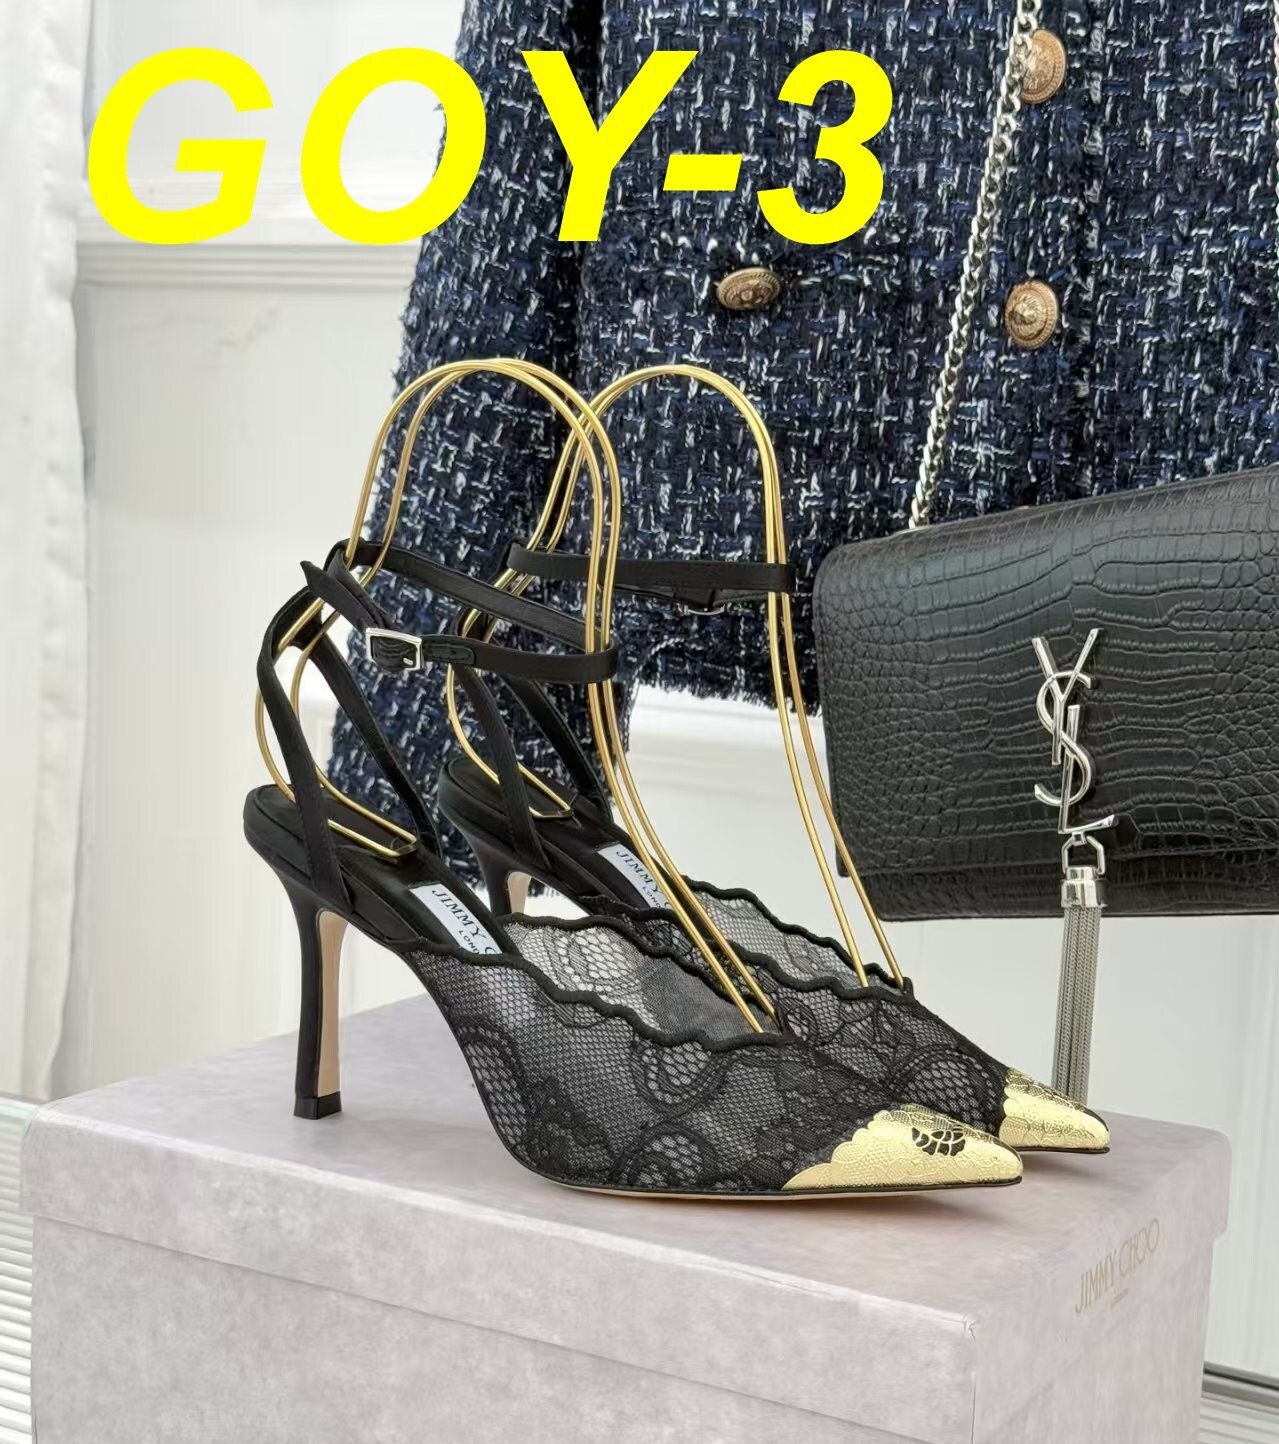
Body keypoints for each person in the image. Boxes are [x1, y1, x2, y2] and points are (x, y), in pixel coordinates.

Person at [329, 0, 1279, 858]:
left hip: (1183, 493)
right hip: (753, 493)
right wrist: (423, 737)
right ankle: (399, 822)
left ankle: (396, 832)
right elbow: (507, 218)